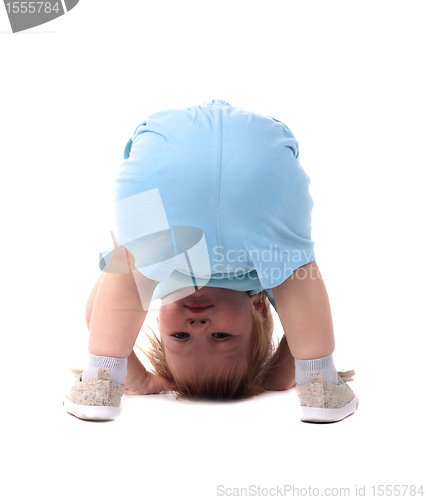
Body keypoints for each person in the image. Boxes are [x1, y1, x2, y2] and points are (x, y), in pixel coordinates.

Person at [63, 99, 358, 423]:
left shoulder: (161, 275)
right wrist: (278, 371)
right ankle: (319, 385)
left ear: (158, 323)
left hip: (173, 165)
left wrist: (138, 377)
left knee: (132, 267)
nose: (198, 326)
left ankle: (101, 382)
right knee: (294, 274)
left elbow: (96, 313)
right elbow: (303, 319)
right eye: (221, 337)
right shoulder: (260, 281)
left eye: (181, 338)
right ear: (258, 308)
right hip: (256, 168)